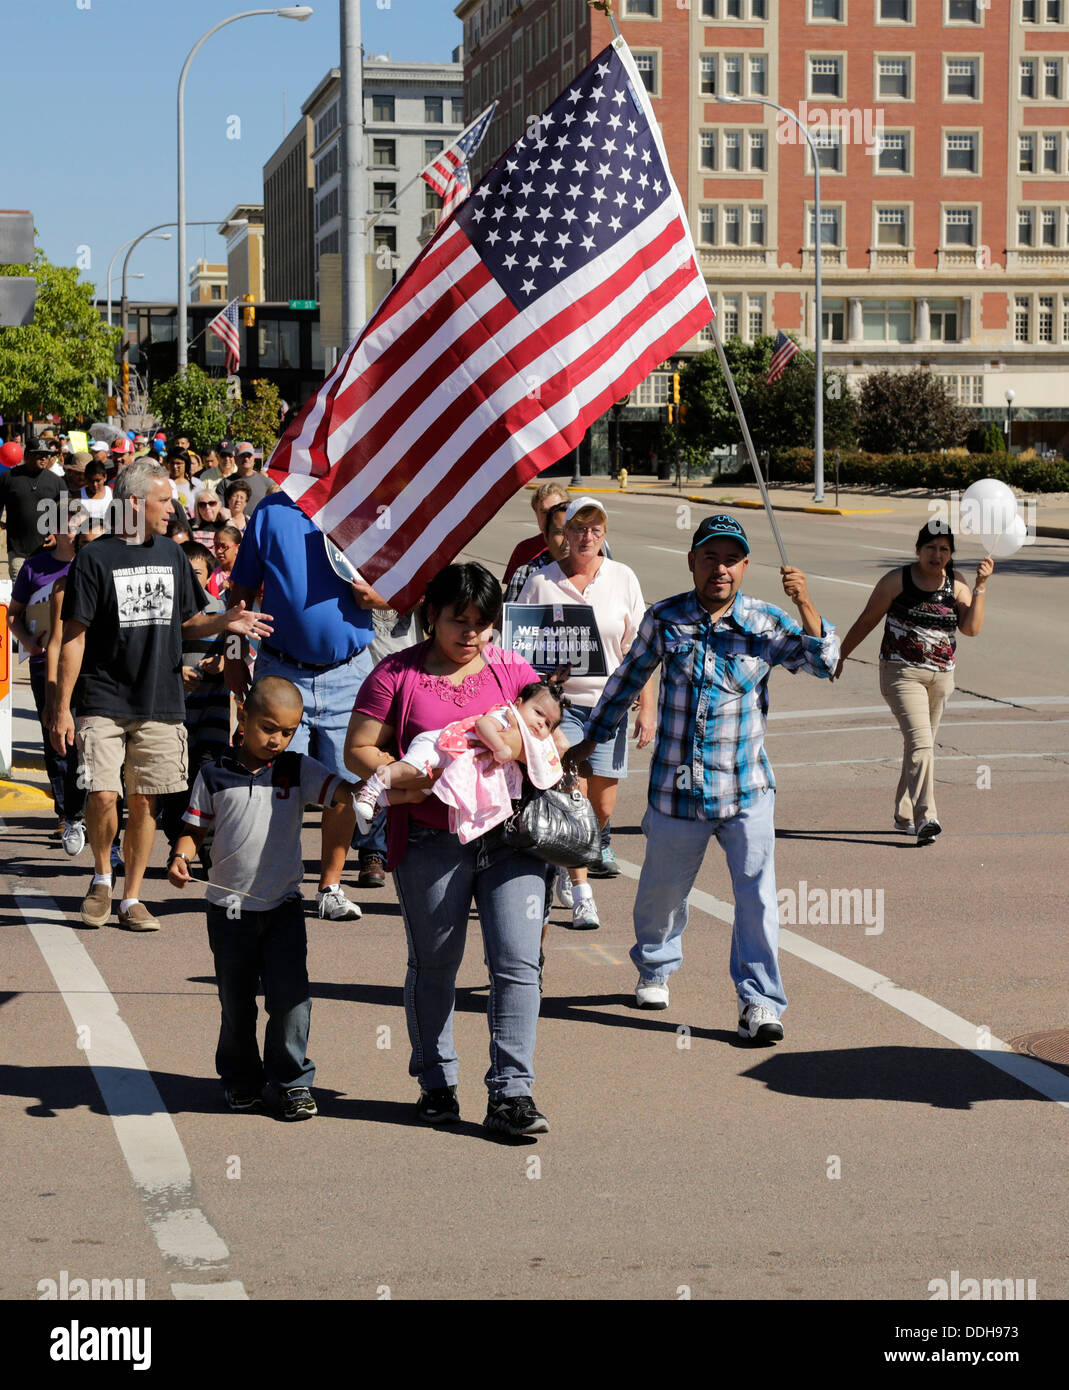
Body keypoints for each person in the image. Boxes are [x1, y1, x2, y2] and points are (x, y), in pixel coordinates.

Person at [571, 515, 839, 1043]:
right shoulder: (665, 619)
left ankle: (759, 1002)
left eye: (731, 559)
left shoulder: (764, 622)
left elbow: (825, 664)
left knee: (757, 901)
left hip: (745, 791)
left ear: (745, 566)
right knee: (661, 893)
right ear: (693, 562)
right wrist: (584, 741)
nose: (720, 569)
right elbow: (626, 683)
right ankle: (655, 966)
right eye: (710, 557)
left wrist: (806, 603)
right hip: (677, 790)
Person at [345, 562, 552, 1137]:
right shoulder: (396, 674)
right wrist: (412, 777)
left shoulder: (511, 668)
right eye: (459, 621)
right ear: (430, 615)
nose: (472, 635)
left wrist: (526, 741)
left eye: (484, 624)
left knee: (518, 963)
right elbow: (357, 748)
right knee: (436, 963)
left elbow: (554, 725)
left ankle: (513, 1093)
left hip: (511, 839)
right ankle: (436, 1081)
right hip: (432, 839)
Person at [49, 458, 273, 932]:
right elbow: (74, 637)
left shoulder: (173, 556)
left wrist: (226, 621)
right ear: (134, 504)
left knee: (146, 800)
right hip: (102, 697)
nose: (173, 508)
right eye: (164, 500)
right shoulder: (95, 557)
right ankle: (101, 878)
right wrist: (61, 707)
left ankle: (131, 898)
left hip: (161, 700)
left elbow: (190, 621)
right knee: (104, 794)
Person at [169, 676, 361, 1119]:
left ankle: (291, 1081)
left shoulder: (296, 769)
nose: (277, 739)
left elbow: (340, 795)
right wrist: (181, 857)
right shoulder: (213, 774)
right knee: (236, 1004)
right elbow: (193, 832)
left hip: (283, 909)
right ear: (244, 717)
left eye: (288, 731)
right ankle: (240, 1079)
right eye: (268, 727)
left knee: (292, 1001)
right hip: (228, 912)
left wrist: (373, 781)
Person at [223, 490, 381, 922]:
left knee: (346, 788)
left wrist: (380, 597)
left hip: (348, 674)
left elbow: (406, 588)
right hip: (282, 671)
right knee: (276, 785)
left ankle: (330, 886)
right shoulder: (271, 511)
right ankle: (274, 885)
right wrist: (235, 654)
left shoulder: (364, 500)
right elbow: (240, 590)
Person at [517, 496, 655, 928]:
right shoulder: (541, 582)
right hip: (561, 708)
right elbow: (518, 651)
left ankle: (564, 859)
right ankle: (582, 892)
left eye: (595, 530)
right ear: (563, 534)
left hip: (609, 705)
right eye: (578, 529)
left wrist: (646, 707)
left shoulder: (623, 578)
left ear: (604, 535)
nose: (586, 537)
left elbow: (641, 648)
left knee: (602, 808)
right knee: (570, 791)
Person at [832, 521, 993, 845]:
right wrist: (840, 655)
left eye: (944, 549)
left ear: (951, 553)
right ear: (918, 550)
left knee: (921, 747)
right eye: (930, 548)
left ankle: (903, 812)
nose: (937, 554)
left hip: (942, 677)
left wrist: (980, 586)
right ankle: (925, 817)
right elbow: (867, 619)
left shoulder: (956, 583)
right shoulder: (897, 581)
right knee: (922, 744)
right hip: (901, 672)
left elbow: (971, 628)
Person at [353, 675, 569, 841]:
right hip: (437, 746)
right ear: (519, 703)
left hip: (448, 761)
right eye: (538, 713)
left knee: (417, 795)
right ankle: (370, 790)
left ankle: (379, 802)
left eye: (549, 724)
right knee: (411, 770)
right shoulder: (507, 716)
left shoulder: (529, 737)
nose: (541, 723)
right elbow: (483, 726)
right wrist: (501, 748)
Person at [7, 503, 86, 845]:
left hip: (89, 667)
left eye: (82, 523)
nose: (77, 529)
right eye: (71, 523)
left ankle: (87, 811)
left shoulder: (93, 564)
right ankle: (65, 814)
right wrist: (29, 641)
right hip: (45, 668)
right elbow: (13, 615)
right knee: (57, 738)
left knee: (89, 739)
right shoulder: (35, 566)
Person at [157, 541, 233, 860]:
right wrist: (177, 672)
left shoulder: (221, 612)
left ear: (208, 575)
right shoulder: (162, 611)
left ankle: (207, 852)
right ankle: (179, 845)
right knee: (175, 787)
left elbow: (239, 655)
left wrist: (224, 663)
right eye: (182, 571)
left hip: (212, 715)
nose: (188, 578)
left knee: (209, 779)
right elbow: (150, 660)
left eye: (196, 572)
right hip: (173, 719)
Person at [0, 434, 63, 581]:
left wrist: (57, 536)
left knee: (42, 598)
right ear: (27, 455)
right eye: (39, 454)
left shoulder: (56, 482)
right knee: (19, 596)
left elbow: (66, 514)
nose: (44, 458)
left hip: (47, 552)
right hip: (18, 552)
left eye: (46, 455)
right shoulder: (8, 477)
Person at [502, 480, 570, 586]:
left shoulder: (585, 546)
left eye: (555, 510)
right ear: (536, 513)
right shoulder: (524, 549)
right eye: (544, 512)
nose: (549, 517)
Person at [503, 500, 569, 604]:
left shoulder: (595, 574)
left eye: (574, 531)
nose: (567, 540)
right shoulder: (525, 574)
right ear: (546, 536)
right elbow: (511, 618)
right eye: (559, 533)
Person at [230, 442, 274, 514]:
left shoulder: (267, 483)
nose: (246, 459)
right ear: (235, 459)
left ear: (253, 458)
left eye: (249, 455)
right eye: (242, 455)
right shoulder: (226, 483)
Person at [209, 524, 242, 598]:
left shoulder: (247, 573)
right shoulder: (212, 576)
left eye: (224, 547)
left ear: (238, 548)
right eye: (216, 546)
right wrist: (220, 590)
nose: (218, 551)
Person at [79, 458, 114, 525]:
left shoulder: (112, 494)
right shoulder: (78, 496)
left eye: (98, 480)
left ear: (105, 477)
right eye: (91, 481)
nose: (94, 484)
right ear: (86, 478)